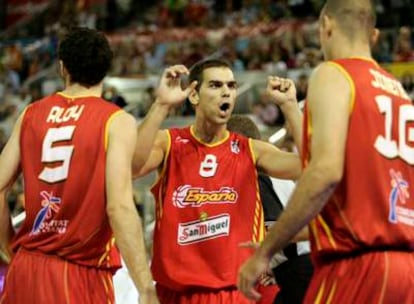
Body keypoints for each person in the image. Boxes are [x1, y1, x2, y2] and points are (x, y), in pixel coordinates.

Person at [0, 27, 195, 304]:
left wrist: (11, 249)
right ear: (106, 69)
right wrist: (145, 286)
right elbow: (119, 206)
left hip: (26, 270)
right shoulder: (115, 120)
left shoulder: (31, 113)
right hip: (78, 273)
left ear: (62, 67)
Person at [238, 1, 414, 303]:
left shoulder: (335, 74)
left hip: (358, 265)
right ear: (373, 36)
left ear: (326, 27)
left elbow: (322, 171)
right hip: (405, 266)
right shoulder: (397, 92)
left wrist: (266, 250)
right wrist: (293, 108)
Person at [133, 58, 303, 304]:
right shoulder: (169, 142)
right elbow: (132, 167)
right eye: (215, 85)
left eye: (232, 86)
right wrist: (161, 105)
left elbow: (310, 167)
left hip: (232, 293)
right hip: (175, 293)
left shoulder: (251, 149)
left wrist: (290, 108)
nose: (226, 92)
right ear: (193, 95)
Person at [227, 115, 313, 304]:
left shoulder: (259, 179)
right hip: (298, 268)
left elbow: (272, 225)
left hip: (297, 271)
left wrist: (263, 256)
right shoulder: (278, 174)